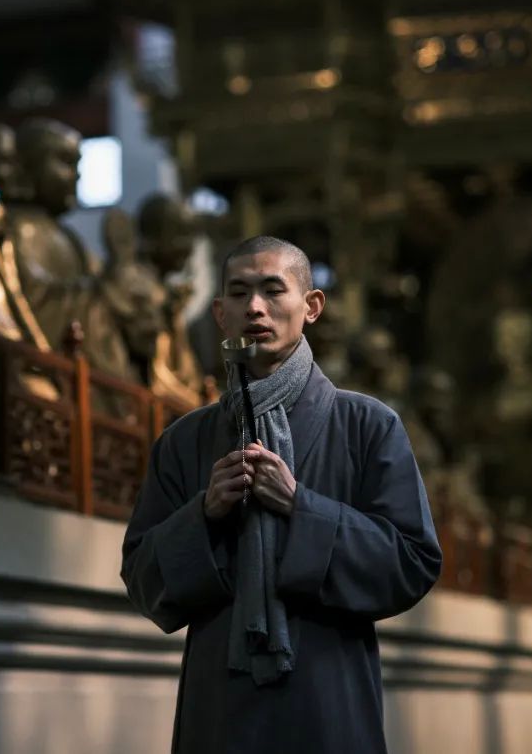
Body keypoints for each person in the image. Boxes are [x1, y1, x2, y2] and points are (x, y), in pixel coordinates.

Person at [121, 235, 442, 753]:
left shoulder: (367, 426)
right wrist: (204, 514)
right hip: (219, 711)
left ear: (311, 306)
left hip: (327, 702)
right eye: (239, 293)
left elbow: (412, 562)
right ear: (220, 313)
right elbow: (142, 580)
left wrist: (300, 506)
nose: (255, 307)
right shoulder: (184, 441)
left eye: (273, 290)